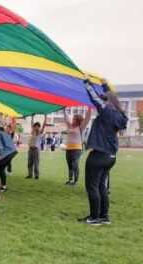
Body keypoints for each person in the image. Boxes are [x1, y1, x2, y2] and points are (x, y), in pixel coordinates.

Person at [78, 76, 128, 226]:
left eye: (104, 99)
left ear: (108, 101)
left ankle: (94, 218)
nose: (103, 100)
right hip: (110, 157)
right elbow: (112, 97)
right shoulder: (121, 115)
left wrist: (87, 83)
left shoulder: (107, 111)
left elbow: (95, 98)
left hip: (99, 155)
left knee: (92, 186)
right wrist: (105, 85)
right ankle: (104, 216)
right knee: (101, 186)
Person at [63, 107, 92, 185]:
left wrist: (89, 109)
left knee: (75, 164)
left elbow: (87, 119)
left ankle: (75, 181)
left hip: (77, 149)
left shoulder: (80, 128)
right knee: (69, 165)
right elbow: (66, 119)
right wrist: (64, 109)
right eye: (73, 118)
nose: (72, 120)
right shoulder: (69, 127)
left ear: (78, 120)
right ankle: (70, 179)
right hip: (68, 148)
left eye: (74, 119)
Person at [0, 118, 18, 192]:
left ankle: (0, 186)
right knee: (0, 169)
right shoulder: (1, 130)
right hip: (11, 151)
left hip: (7, 153)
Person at [26, 115, 47, 180]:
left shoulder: (40, 133)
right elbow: (31, 124)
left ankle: (36, 175)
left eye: (37, 126)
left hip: (36, 150)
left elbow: (44, 125)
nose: (35, 127)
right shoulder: (33, 132)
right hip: (30, 149)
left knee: (36, 163)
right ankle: (30, 175)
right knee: (29, 163)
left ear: (39, 127)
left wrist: (45, 117)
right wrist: (32, 117)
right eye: (35, 126)